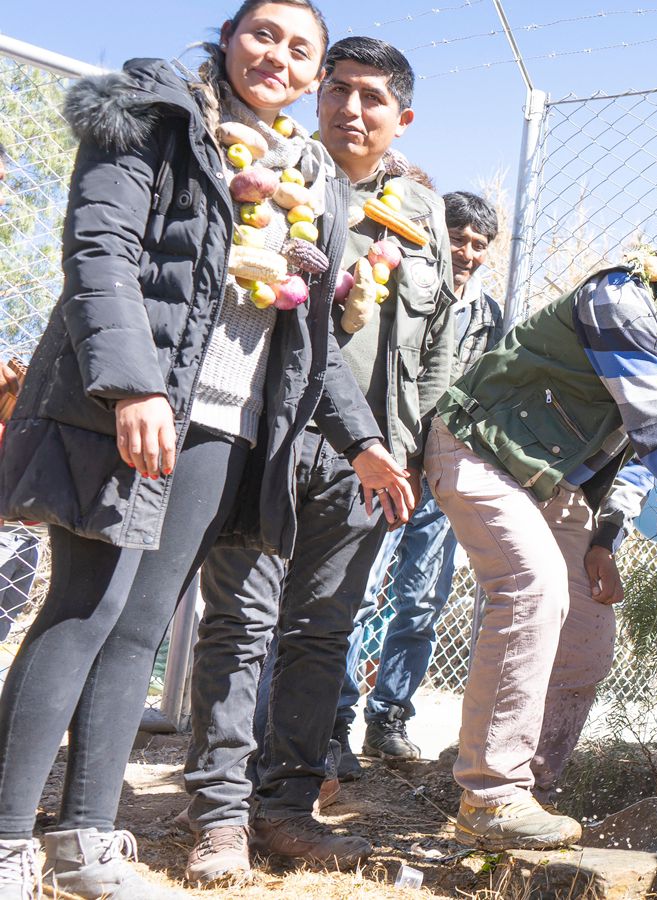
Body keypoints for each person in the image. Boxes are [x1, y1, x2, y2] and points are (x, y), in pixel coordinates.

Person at [0, 1, 411, 895]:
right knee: (81, 611)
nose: (279, 55)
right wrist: (133, 385)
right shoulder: (161, 110)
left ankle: (85, 839)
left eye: (300, 49)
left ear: (312, 75)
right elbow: (100, 245)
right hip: (132, 409)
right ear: (228, 40)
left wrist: (366, 441)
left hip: (223, 430)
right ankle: (4, 841)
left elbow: (309, 348)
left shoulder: (312, 178)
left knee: (139, 629)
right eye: (262, 34)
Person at [428, 195, 657, 850]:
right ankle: (490, 792)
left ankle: (529, 792)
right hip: (483, 452)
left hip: (556, 484)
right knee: (534, 588)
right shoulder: (622, 302)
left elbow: (631, 456)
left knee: (589, 638)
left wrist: (604, 539)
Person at [181, 34, 451, 884]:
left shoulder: (422, 215)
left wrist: (408, 444)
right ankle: (219, 816)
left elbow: (434, 343)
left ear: (401, 117)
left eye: (373, 97)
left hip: (371, 459)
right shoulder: (274, 168)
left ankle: (287, 808)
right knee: (239, 624)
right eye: (338, 89)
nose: (350, 108)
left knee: (320, 633)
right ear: (316, 95)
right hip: (267, 435)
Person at [336, 190, 504, 770]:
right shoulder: (400, 285)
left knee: (422, 600)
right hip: (388, 461)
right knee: (357, 594)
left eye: (480, 245)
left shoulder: (488, 315)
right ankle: (335, 722)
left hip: (442, 475)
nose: (467, 252)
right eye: (458, 238)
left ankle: (389, 718)